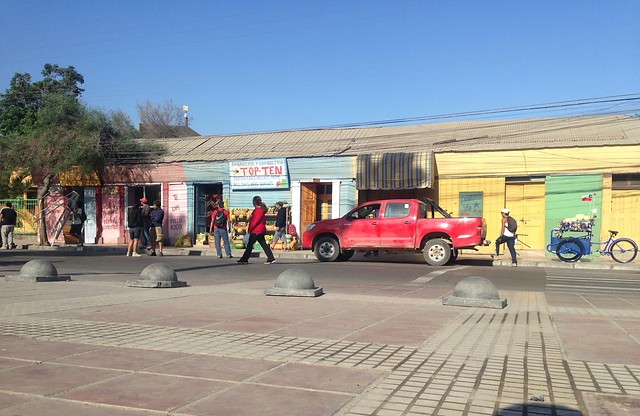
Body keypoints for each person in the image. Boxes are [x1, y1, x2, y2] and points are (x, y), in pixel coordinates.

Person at [237, 196, 276, 264]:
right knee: (263, 244)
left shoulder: (257, 211)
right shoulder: (260, 210)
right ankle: (271, 258)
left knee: (250, 245)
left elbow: (255, 221)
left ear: (254, 202)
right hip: (260, 230)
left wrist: (250, 229)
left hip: (256, 231)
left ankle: (244, 259)